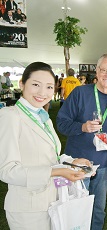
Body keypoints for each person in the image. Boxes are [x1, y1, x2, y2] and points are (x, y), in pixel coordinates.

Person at [0, 62, 91, 229]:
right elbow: (7, 171)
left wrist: (73, 162)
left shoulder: (43, 116)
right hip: (28, 210)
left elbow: (51, 156)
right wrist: (57, 172)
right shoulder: (10, 116)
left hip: (52, 203)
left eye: (49, 87)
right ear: (22, 84)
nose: (43, 92)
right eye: (36, 85)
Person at [57, 53, 107, 230]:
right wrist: (82, 127)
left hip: (104, 163)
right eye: (104, 70)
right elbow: (61, 123)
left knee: (98, 209)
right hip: (78, 163)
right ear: (97, 70)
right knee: (76, 207)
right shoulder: (80, 93)